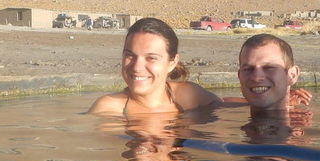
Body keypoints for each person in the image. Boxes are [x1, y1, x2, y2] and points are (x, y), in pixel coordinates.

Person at [88, 17, 221, 115]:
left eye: (151, 58)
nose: (136, 67)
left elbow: (225, 107)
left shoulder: (189, 96)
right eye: (130, 55)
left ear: (172, 63)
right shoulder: (108, 109)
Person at [225, 33, 305, 117]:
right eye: (248, 69)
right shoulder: (217, 109)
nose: (256, 77)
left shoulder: (303, 121)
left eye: (268, 68)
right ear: (239, 76)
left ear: (292, 75)